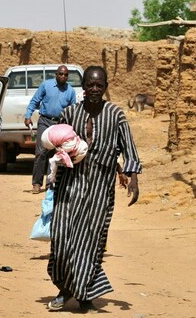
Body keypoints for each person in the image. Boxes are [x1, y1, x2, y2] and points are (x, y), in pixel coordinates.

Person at [46, 65, 141, 312]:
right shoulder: (70, 113)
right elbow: (54, 142)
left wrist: (132, 177)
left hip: (100, 189)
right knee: (63, 237)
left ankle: (85, 292)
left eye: (99, 85)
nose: (95, 89)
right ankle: (66, 288)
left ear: (105, 87)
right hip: (70, 185)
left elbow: (127, 147)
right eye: (90, 85)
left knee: (91, 240)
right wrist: (61, 154)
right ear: (84, 87)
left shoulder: (116, 115)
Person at [24, 65, 76, 194]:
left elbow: (73, 110)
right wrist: (28, 116)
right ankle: (36, 183)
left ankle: (50, 183)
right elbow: (35, 100)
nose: (63, 77)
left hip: (59, 123)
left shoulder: (70, 91)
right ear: (56, 74)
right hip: (45, 121)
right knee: (41, 152)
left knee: (54, 154)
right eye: (61, 74)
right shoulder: (46, 85)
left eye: (65, 75)